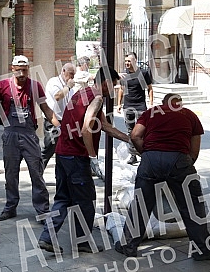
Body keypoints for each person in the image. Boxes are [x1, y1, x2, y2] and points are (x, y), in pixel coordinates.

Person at [115, 93, 210, 261]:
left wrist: (146, 154)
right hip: (178, 159)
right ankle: (203, 249)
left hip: (150, 160)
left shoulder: (151, 112)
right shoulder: (189, 115)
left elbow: (135, 135)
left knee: (141, 204)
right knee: (192, 205)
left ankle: (128, 245)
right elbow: (194, 151)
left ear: (163, 103)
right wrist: (184, 167)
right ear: (179, 104)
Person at [38, 66, 130, 254]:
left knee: (63, 198)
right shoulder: (96, 98)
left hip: (63, 153)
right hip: (76, 157)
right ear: (105, 83)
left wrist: (129, 139)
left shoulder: (82, 92)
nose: (114, 89)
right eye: (113, 85)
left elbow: (103, 125)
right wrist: (92, 155)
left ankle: (46, 237)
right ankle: (82, 242)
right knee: (86, 200)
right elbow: (88, 127)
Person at [0, 55, 60, 221]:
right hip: (10, 135)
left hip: (29, 135)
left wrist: (60, 127)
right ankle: (10, 207)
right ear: (12, 69)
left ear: (28, 69)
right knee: (11, 174)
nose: (21, 73)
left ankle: (43, 211)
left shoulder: (35, 86)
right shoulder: (2, 86)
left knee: (37, 173)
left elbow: (46, 109)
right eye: (18, 69)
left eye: (24, 69)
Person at [116, 52, 153, 165]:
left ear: (135, 61)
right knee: (131, 132)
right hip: (128, 107)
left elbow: (150, 88)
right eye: (126, 61)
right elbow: (121, 89)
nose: (127, 63)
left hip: (140, 106)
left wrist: (150, 102)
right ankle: (133, 155)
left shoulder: (143, 73)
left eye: (129, 61)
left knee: (142, 132)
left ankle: (145, 155)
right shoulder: (124, 75)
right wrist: (119, 104)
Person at [41, 63, 76, 168]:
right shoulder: (54, 82)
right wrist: (68, 87)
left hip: (65, 121)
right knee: (49, 149)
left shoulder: (70, 88)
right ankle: (37, 173)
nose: (72, 77)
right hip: (53, 121)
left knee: (63, 150)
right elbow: (58, 96)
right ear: (63, 71)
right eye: (70, 74)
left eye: (73, 75)